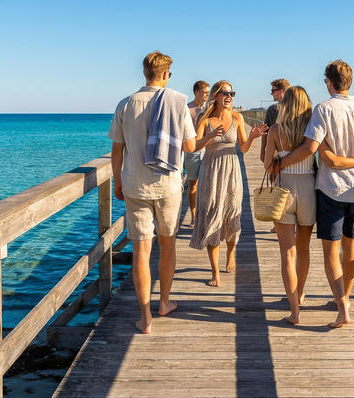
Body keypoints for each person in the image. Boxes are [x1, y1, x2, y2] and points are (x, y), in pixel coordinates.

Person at [271, 60, 354, 328]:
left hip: (331, 188)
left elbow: (311, 148)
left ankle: (342, 308)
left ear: (328, 82)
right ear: (350, 82)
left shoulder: (323, 109)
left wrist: (281, 163)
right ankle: (344, 297)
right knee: (351, 247)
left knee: (331, 252)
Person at [109, 51, 197, 334]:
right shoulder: (177, 102)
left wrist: (117, 182)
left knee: (141, 251)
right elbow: (190, 146)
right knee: (167, 244)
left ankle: (145, 318)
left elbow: (117, 150)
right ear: (165, 74)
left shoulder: (125, 104)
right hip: (168, 184)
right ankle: (164, 303)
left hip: (134, 185)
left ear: (145, 73)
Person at [189, 80, 268, 286]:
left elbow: (243, 148)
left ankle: (231, 254)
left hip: (232, 170)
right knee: (212, 216)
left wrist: (252, 137)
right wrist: (209, 136)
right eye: (224, 92)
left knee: (232, 213)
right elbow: (194, 146)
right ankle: (214, 272)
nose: (229, 96)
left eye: (231, 93)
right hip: (211, 171)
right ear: (216, 95)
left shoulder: (237, 117)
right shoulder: (205, 118)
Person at [261, 86, 316, 324]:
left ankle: (294, 310)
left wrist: (279, 161)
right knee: (303, 249)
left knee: (287, 253)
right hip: (308, 189)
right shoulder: (312, 128)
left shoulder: (276, 130)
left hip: (283, 189)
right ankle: (300, 294)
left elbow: (267, 165)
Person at [182, 80, 210, 227]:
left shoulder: (209, 109)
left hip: (208, 150)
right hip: (192, 151)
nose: (207, 95)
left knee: (207, 185)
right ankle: (194, 217)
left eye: (208, 92)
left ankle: (205, 216)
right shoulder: (187, 109)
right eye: (205, 92)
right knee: (193, 185)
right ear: (197, 92)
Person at [259, 78, 289, 163]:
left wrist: (262, 151)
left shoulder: (272, 109)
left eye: (273, 90)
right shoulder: (297, 108)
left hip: (276, 153)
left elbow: (265, 131)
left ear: (281, 91)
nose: (271, 93)